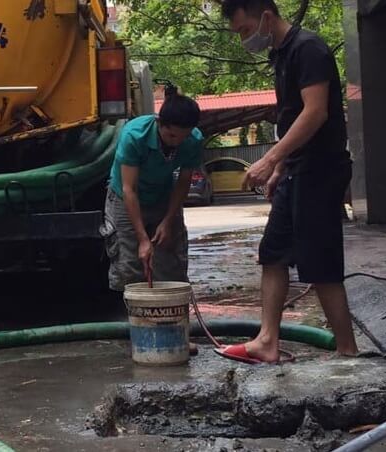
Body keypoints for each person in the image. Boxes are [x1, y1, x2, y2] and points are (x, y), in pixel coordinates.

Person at [218, 0, 358, 363]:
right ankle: (267, 341)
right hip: (296, 169)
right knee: (274, 253)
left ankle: (347, 350)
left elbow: (315, 113)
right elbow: (291, 118)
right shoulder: (281, 56)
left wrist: (270, 159)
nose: (243, 40)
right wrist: (281, 168)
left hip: (321, 170)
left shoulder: (307, 48)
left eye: (244, 31)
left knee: (320, 261)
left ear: (265, 16)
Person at [103, 89, 204, 353]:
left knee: (170, 263)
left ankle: (176, 333)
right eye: (171, 135)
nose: (176, 142)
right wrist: (142, 239)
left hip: (163, 196)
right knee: (132, 267)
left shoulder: (192, 140)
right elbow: (129, 190)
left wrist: (169, 221)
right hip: (126, 199)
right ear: (160, 123)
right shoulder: (134, 135)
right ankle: (142, 334)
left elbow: (183, 182)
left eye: (183, 136)